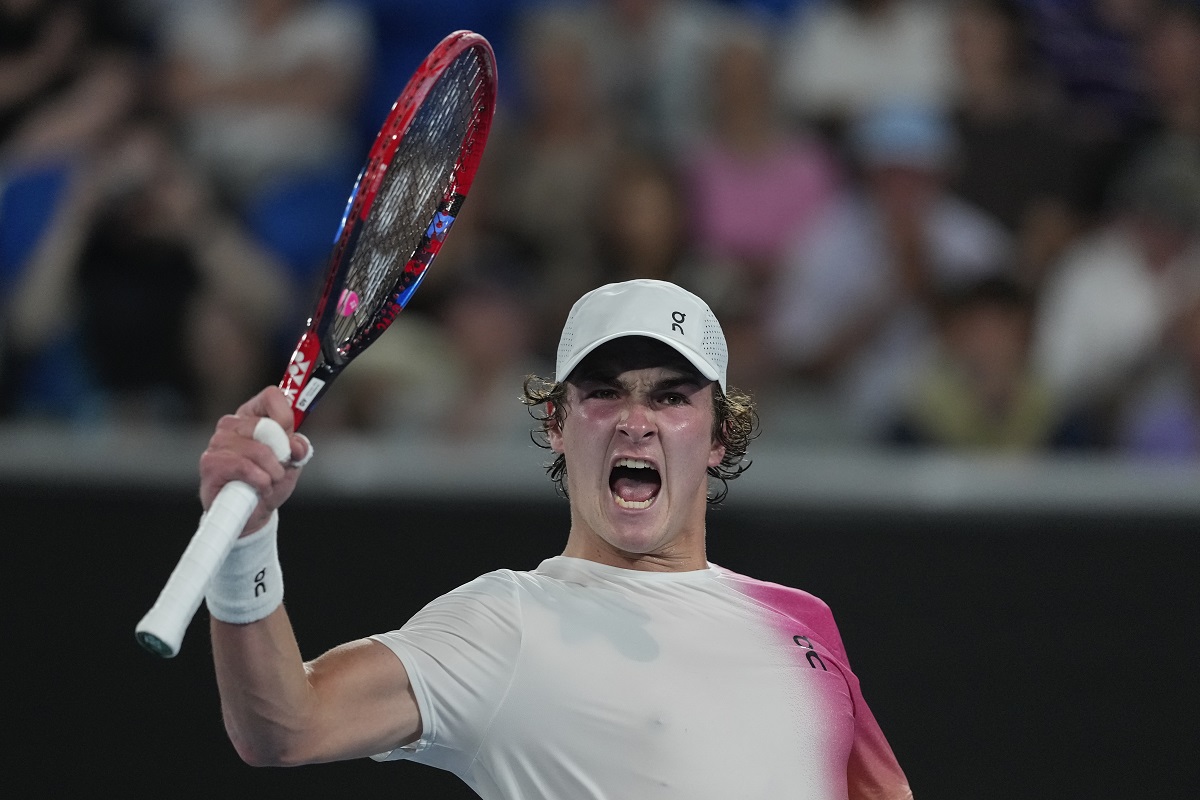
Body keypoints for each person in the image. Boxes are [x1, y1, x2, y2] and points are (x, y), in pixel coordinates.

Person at [196, 278, 912, 799]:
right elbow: (285, 726)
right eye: (604, 393)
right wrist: (246, 541)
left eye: (670, 395)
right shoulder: (505, 624)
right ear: (557, 426)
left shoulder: (802, 619)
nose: (637, 420)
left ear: (720, 434)